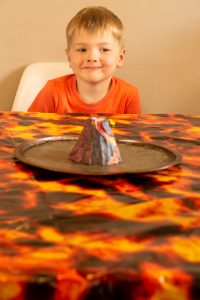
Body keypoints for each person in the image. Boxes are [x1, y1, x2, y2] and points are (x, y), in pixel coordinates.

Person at [28, 6, 141, 114]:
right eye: (82, 49)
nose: (92, 57)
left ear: (120, 58)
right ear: (69, 58)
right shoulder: (52, 90)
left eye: (104, 49)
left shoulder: (129, 95)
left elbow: (131, 133)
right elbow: (30, 129)